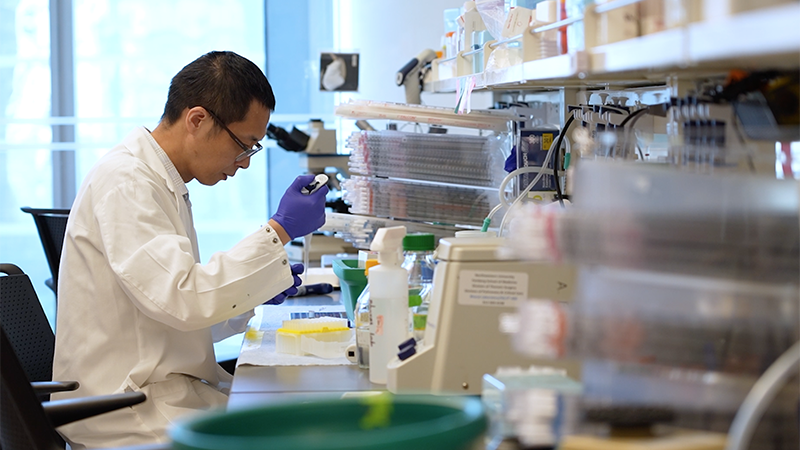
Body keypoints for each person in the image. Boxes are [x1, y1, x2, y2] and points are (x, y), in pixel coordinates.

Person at [52, 51, 328, 448]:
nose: (245, 163)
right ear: (197, 120)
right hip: (126, 410)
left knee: (298, 413)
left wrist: (254, 293)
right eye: (244, 144)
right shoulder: (127, 181)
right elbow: (182, 300)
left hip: (158, 391)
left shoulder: (160, 181)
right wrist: (279, 230)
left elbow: (171, 319)